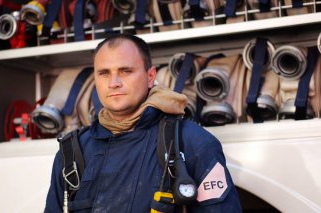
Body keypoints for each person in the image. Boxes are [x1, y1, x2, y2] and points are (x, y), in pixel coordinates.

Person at [45, 34, 242, 212]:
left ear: (150, 77)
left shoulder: (193, 143)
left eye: (125, 71)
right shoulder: (71, 152)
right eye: (104, 73)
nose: (114, 82)